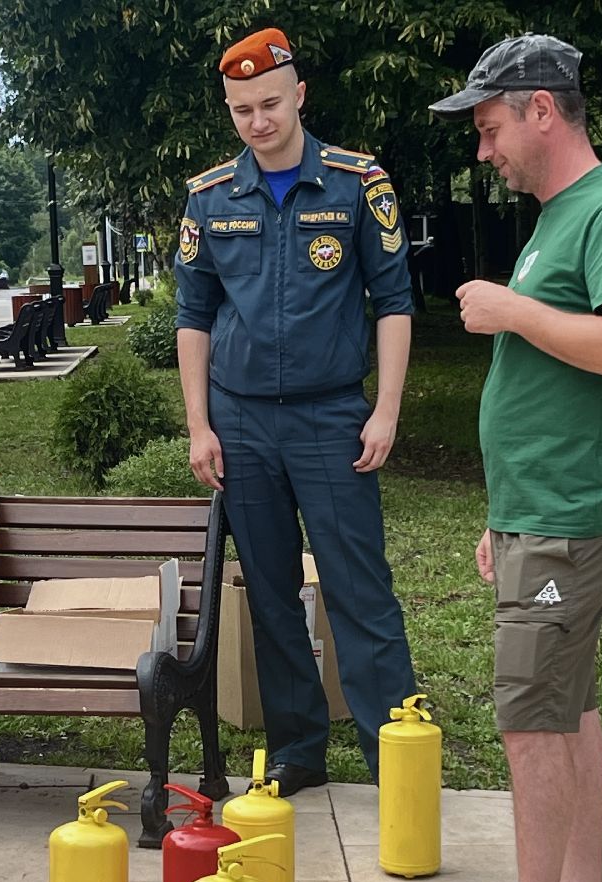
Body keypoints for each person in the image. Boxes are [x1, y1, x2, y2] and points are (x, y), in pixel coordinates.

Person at [425, 34, 602, 882]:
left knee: (532, 720)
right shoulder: (559, 216)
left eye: (488, 128)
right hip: (543, 513)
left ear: (539, 109)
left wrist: (512, 309)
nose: (484, 151)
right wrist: (505, 514)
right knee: (567, 707)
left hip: (571, 518)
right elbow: (552, 386)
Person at [173, 28, 417, 797]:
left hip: (330, 416)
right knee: (271, 591)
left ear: (300, 94)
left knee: (358, 587)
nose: (257, 120)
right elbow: (193, 314)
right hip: (241, 423)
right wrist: (198, 424)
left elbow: (396, 301)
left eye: (270, 102)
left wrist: (385, 409)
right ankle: (297, 748)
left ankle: (397, 752)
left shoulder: (358, 183)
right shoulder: (211, 197)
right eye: (242, 109)